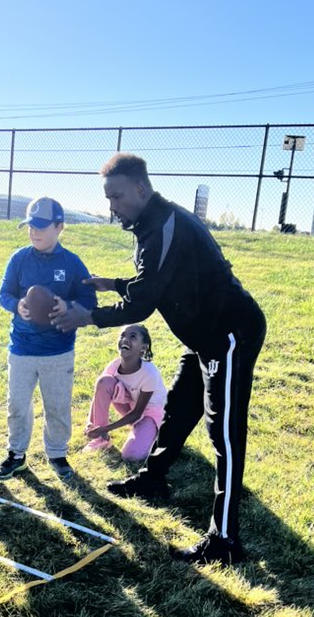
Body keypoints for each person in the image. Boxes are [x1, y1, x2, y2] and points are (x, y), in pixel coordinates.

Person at [52, 153, 267, 565]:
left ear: (140, 188)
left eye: (116, 196)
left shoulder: (165, 224)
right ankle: (152, 479)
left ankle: (224, 541)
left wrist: (89, 316)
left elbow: (144, 303)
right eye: (107, 198)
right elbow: (155, 280)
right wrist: (113, 283)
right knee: (178, 410)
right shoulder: (150, 225)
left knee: (223, 432)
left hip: (229, 333)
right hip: (201, 337)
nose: (111, 206)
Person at [0, 196, 96, 482]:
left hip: (59, 351)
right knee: (17, 404)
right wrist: (17, 306)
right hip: (22, 349)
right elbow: (4, 294)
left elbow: (89, 299)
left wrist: (69, 306)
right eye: (30, 226)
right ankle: (16, 454)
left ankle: (57, 453)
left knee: (57, 405)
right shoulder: (19, 259)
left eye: (41, 226)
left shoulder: (73, 263)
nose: (34, 232)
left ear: (60, 227)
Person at [85, 324, 167, 462]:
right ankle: (101, 440)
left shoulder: (149, 373)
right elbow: (99, 392)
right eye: (122, 335)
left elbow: (137, 414)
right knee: (104, 381)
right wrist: (91, 423)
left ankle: (154, 432)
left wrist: (106, 428)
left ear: (143, 347)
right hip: (130, 405)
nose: (125, 339)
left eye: (132, 336)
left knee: (131, 455)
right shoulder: (115, 365)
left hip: (151, 413)